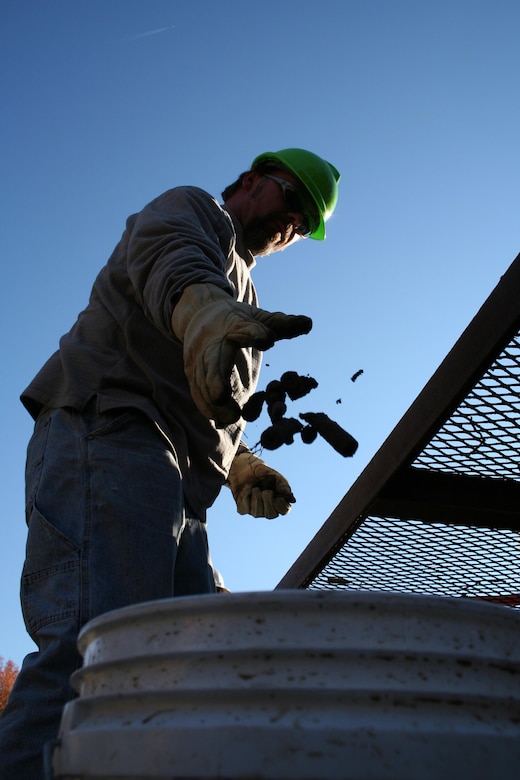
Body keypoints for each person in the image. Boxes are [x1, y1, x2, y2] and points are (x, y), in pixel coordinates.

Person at [0, 147, 340, 778]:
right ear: (250, 181)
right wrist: (203, 310)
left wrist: (240, 464)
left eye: (305, 223)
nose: (292, 223)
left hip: (180, 490)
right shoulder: (194, 211)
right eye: (291, 200)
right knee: (98, 649)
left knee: (186, 671)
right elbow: (171, 260)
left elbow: (211, 401)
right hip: (113, 430)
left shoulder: (248, 299)